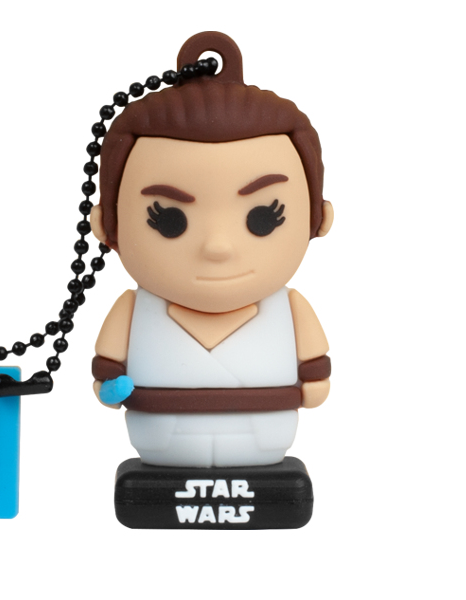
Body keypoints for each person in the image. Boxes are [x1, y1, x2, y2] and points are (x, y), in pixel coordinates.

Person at [89, 31, 333, 468]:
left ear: (320, 219)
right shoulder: (134, 311)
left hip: (266, 435)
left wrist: (314, 380)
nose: (217, 247)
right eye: (168, 219)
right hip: (159, 439)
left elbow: (315, 370)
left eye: (263, 217)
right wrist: (108, 386)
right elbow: (106, 374)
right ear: (107, 225)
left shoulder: (290, 310)